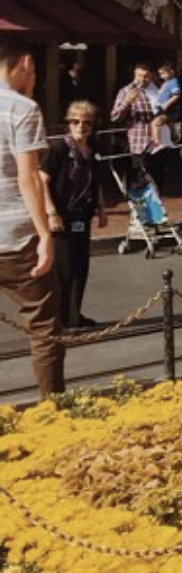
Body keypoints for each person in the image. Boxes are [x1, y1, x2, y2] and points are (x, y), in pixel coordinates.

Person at [0, 39, 63, 397]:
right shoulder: (22, 108)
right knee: (43, 328)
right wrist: (45, 235)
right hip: (15, 236)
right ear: (24, 63)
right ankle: (51, 410)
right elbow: (28, 176)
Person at [40, 101, 107, 332]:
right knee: (64, 270)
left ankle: (73, 314)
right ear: (68, 123)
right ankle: (59, 317)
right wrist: (51, 213)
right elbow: (41, 182)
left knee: (80, 268)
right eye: (76, 122)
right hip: (61, 217)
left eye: (87, 122)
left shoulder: (95, 149)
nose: (82, 126)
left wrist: (101, 208)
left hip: (82, 216)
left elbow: (96, 181)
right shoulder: (58, 150)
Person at [110, 63, 164, 185]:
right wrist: (127, 102)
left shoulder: (156, 91)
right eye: (140, 75)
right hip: (138, 144)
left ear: (151, 76)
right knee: (138, 183)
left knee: (158, 179)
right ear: (134, 75)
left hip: (157, 144)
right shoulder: (125, 91)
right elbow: (114, 117)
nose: (143, 79)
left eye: (146, 76)